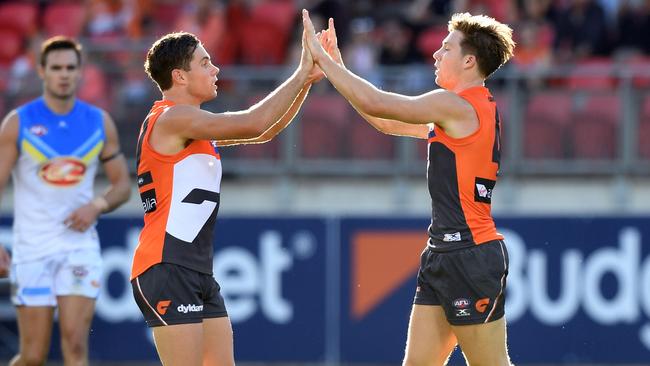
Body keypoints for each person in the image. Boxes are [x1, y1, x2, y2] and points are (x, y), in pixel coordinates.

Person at [303, 10, 516, 365]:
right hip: (443, 253)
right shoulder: (462, 110)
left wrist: (323, 58)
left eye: (445, 49)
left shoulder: (455, 104)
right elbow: (385, 121)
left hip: (470, 253)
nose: (435, 54)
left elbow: (378, 103)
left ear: (468, 60)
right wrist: (337, 66)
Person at [130, 30, 321, 366]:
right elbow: (254, 122)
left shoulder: (192, 125)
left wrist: (307, 80)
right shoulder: (173, 117)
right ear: (180, 76)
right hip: (167, 265)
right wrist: (301, 72)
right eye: (205, 62)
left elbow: (265, 130)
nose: (215, 69)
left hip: (197, 270)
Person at [0, 36, 131, 365]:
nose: (63, 74)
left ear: (80, 73)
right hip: (32, 248)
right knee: (33, 356)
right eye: (56, 67)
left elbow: (122, 186)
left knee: (74, 344)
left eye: (70, 68)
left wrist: (97, 206)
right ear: (41, 71)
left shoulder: (99, 122)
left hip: (78, 247)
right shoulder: (19, 123)